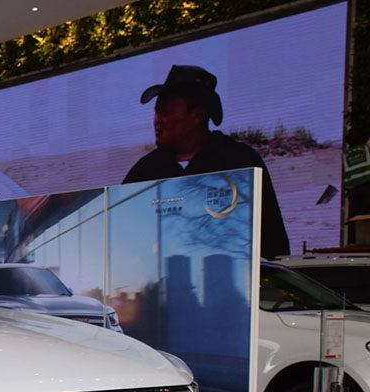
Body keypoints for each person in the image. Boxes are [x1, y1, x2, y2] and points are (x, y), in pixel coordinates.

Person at [124, 64, 290, 259]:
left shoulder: (239, 161)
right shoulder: (145, 171)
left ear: (197, 116)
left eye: (165, 112)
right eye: (156, 112)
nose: (157, 120)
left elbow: (273, 242)